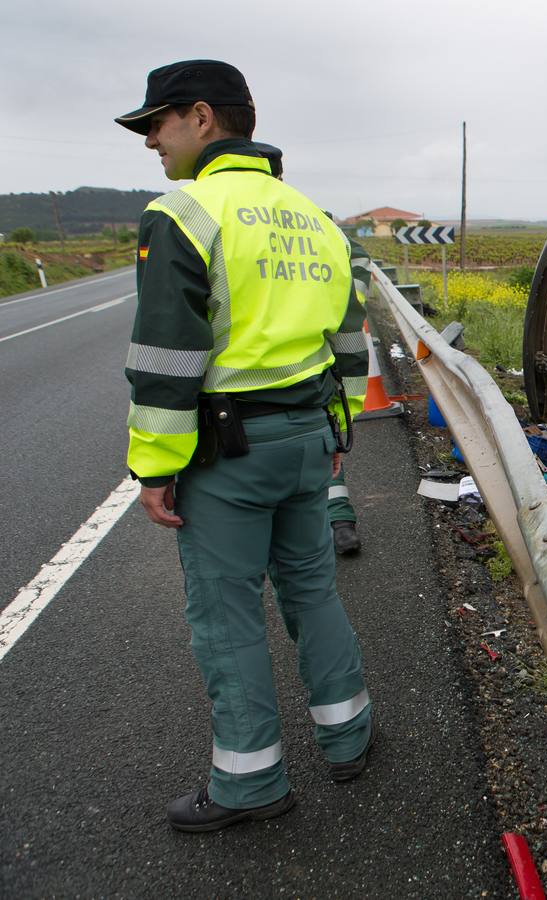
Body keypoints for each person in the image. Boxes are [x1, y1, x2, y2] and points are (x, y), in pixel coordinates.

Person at [116, 60, 375, 833]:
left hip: (227, 454)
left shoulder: (184, 212)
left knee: (226, 616)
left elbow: (166, 356)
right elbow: (349, 341)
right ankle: (349, 738)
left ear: (201, 117)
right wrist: (339, 430)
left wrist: (156, 469)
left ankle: (249, 784)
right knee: (312, 590)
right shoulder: (316, 218)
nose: (152, 142)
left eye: (157, 124)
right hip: (306, 440)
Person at [254, 142, 366, 555]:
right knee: (323, 444)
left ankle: (330, 525)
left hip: (256, 381)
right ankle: (338, 524)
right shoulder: (314, 220)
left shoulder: (226, 219)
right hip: (319, 363)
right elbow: (359, 262)